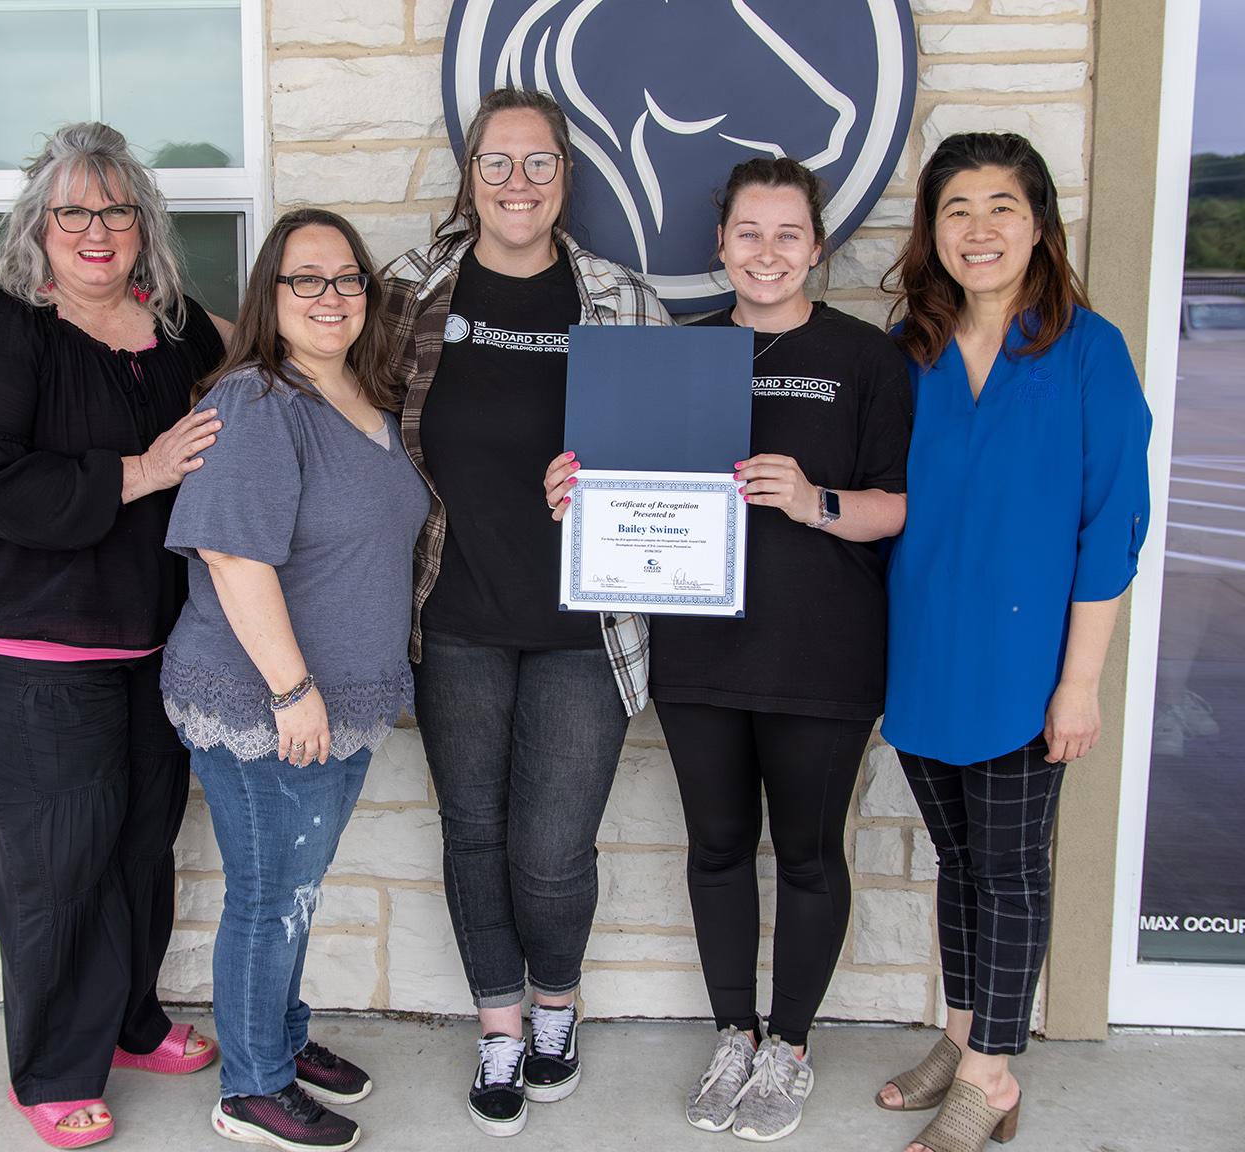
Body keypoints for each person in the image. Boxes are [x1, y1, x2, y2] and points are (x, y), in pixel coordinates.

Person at [559, 157, 913, 1142]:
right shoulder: (675, 358)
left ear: (818, 246)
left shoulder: (867, 360)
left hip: (823, 654)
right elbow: (623, 490)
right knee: (716, 849)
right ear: (719, 246)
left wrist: (813, 501)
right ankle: (733, 1033)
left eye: (787, 233)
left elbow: (900, 505)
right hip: (702, 654)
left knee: (805, 853)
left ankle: (788, 1047)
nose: (766, 252)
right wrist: (579, 498)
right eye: (747, 233)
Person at [0, 121, 235, 1148]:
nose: (96, 230)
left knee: (140, 848)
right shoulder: (4, 331)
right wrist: (139, 472)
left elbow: (256, 357)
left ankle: (130, 1020)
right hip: (28, 652)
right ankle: (55, 1064)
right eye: (74, 212)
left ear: (145, 226)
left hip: (146, 642)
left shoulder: (171, 328)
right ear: (39, 226)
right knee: (54, 864)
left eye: (117, 210)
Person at [381, 87, 671, 1137]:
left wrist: (616, 480)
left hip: (584, 627)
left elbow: (678, 468)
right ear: (470, 175)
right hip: (450, 613)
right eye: (497, 163)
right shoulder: (411, 290)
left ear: (565, 176)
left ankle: (558, 1005)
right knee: (473, 832)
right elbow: (331, 391)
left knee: (552, 850)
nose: (517, 182)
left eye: (538, 163)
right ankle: (500, 1024)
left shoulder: (622, 300)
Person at [877, 132, 1151, 1152]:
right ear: (932, 230)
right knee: (960, 860)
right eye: (956, 209)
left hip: (1030, 665)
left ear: (1038, 223)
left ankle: (991, 1077)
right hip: (925, 651)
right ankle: (961, 1033)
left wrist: (1080, 684)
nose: (978, 229)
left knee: (1012, 865)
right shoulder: (913, 352)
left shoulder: (1089, 349)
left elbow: (1112, 524)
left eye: (1001, 206)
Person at [162, 208, 430, 1152]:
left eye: (346, 278)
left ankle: (276, 1032)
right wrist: (290, 690)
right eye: (305, 279)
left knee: (297, 886)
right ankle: (252, 1088)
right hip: (263, 704)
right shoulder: (258, 403)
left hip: (341, 704)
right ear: (269, 296)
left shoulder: (364, 394)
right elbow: (234, 557)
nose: (329, 296)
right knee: (272, 892)